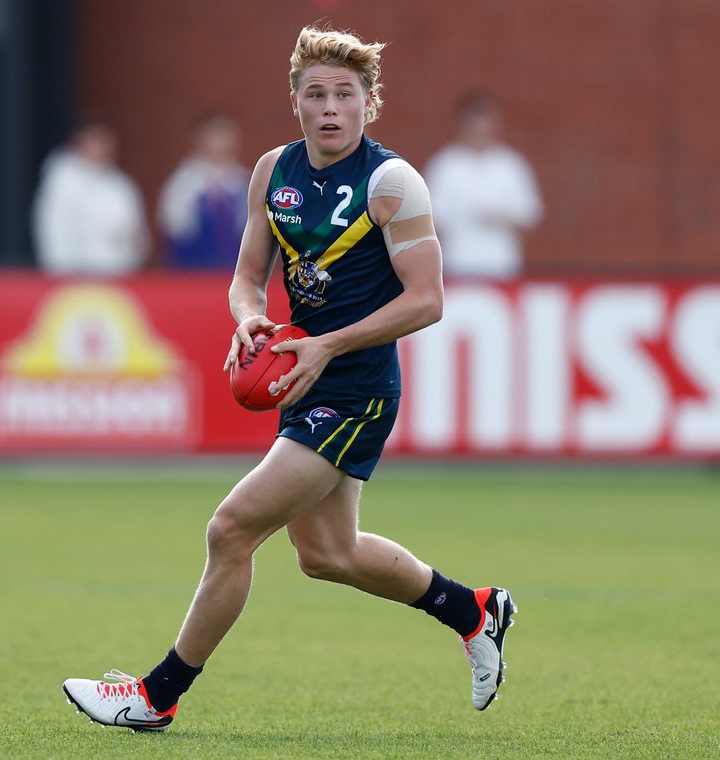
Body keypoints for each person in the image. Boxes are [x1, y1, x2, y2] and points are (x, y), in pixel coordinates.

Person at [62, 26, 517, 733]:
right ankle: (473, 610)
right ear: (295, 103)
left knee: (231, 529)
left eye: (346, 94)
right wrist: (248, 319)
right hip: (307, 380)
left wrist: (325, 347)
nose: (332, 107)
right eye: (317, 94)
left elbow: (426, 300)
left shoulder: (391, 183)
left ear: (370, 102)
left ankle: (156, 695)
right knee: (326, 555)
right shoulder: (273, 172)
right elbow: (248, 277)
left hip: (357, 389)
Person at [424, 91, 544, 279]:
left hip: (502, 267)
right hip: (455, 267)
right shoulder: (445, 166)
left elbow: (529, 215)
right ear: (462, 125)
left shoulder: (511, 166)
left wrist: (500, 216)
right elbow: (429, 220)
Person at [31, 121, 150, 276]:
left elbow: (138, 233)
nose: (104, 148)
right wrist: (59, 273)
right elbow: (54, 233)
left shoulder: (121, 185)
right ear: (80, 143)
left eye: (107, 142)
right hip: (76, 279)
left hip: (119, 278)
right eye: (97, 142)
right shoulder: (62, 183)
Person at [158, 112, 251, 269]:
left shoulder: (243, 179)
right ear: (201, 140)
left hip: (235, 269)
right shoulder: (184, 181)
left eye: (227, 135)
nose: (223, 143)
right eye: (217, 135)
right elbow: (174, 226)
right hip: (193, 269)